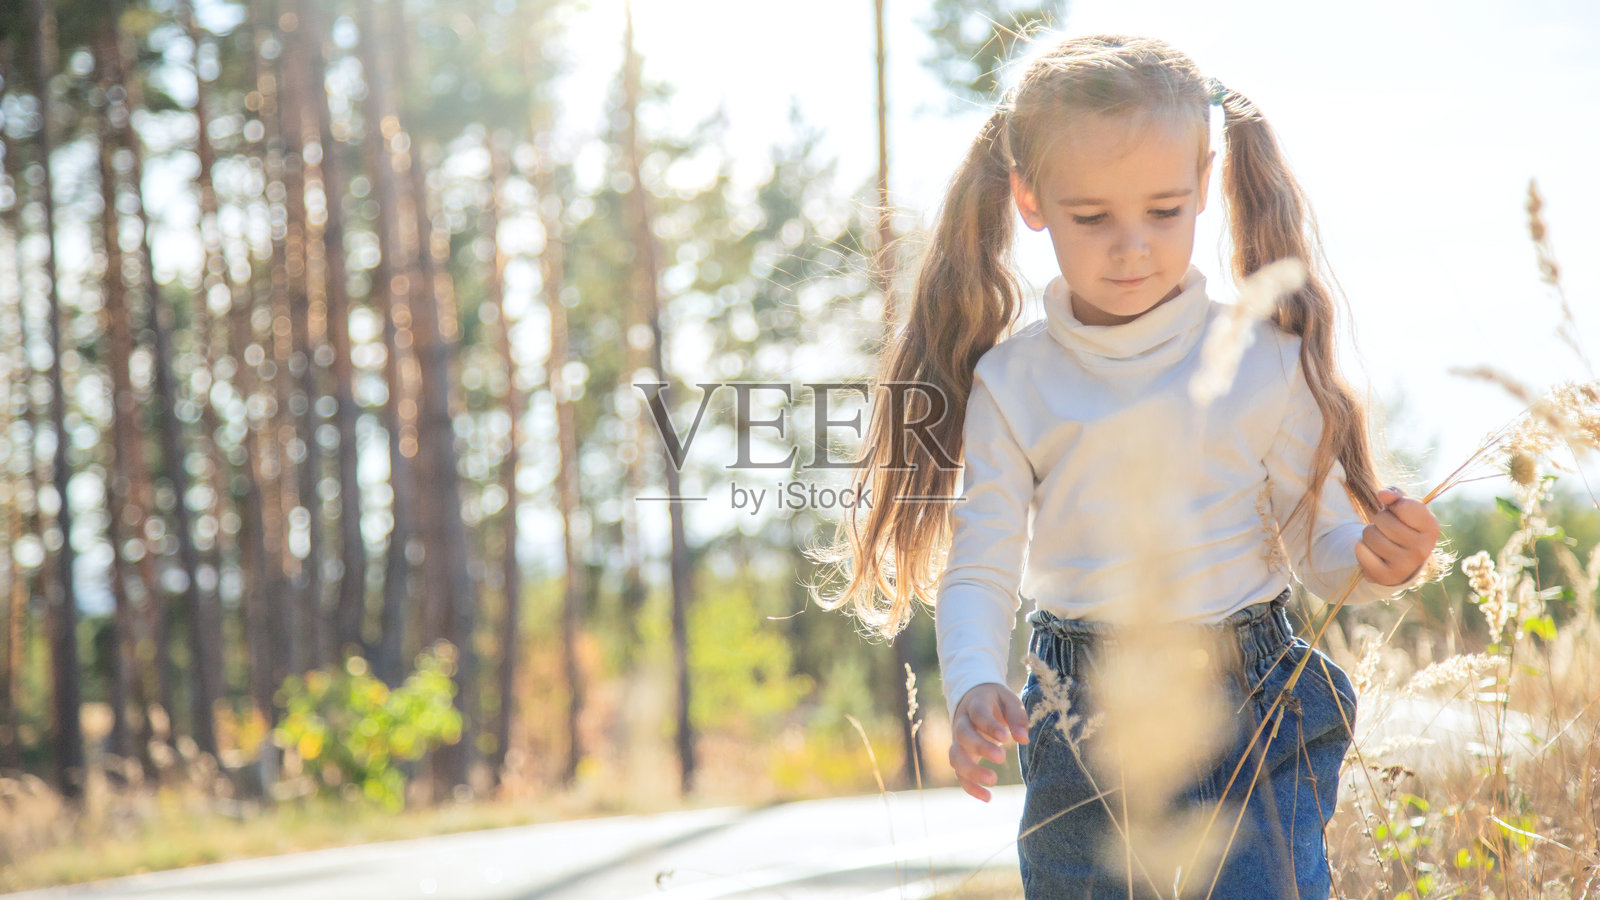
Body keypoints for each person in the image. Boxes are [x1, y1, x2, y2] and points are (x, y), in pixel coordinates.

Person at [807, 33, 1442, 899]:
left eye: (1164, 210)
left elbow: (1319, 547)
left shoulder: (1264, 360)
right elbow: (983, 556)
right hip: (1077, 715)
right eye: (1093, 217)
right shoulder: (1013, 381)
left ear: (1206, 181)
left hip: (1251, 701)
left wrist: (1373, 562)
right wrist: (976, 682)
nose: (1132, 245)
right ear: (1029, 198)